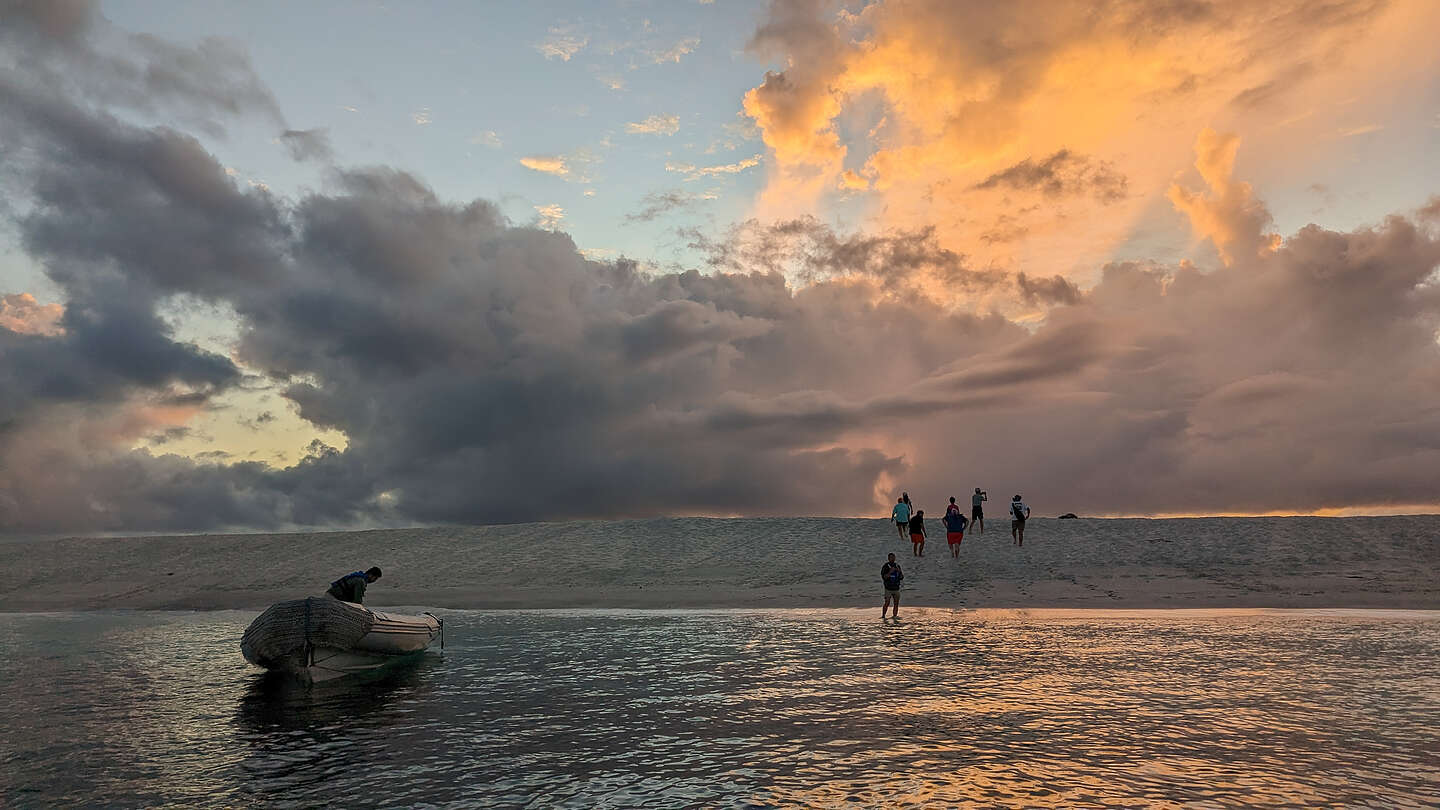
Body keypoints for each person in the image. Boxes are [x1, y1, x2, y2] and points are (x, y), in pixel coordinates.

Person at [881, 553, 903, 618]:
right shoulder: (885, 566)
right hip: (888, 588)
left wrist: (899, 572)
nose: (892, 559)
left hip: (896, 588)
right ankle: (883, 616)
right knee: (887, 602)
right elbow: (884, 577)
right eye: (891, 557)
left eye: (893, 557)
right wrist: (890, 572)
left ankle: (894, 616)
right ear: (888, 558)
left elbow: (901, 577)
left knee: (896, 604)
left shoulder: (897, 566)